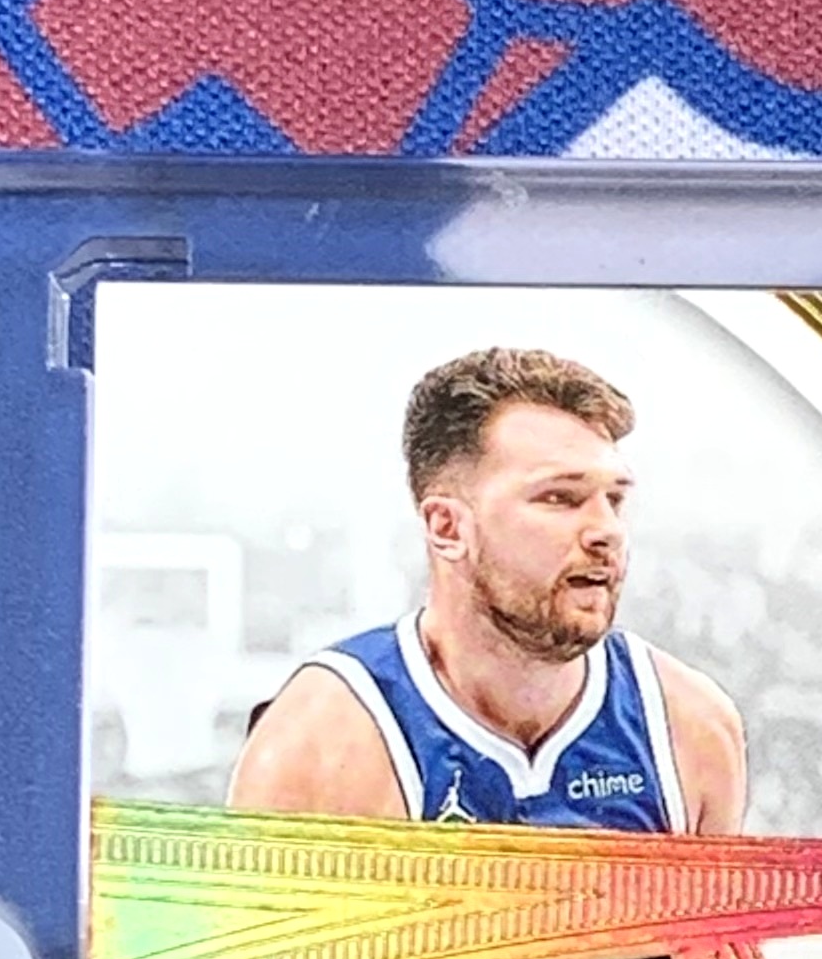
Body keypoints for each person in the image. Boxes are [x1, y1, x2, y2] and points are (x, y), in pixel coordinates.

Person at [230, 346, 747, 832]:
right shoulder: (321, 744)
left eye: (614, 499)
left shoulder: (690, 726)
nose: (606, 530)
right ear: (447, 528)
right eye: (560, 498)